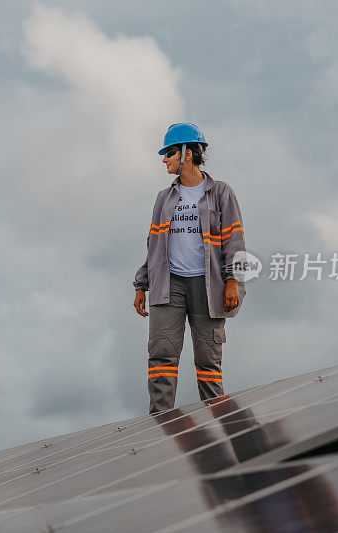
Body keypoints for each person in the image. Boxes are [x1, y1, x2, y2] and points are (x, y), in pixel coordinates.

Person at [133, 122, 246, 413]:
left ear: (187, 153)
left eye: (169, 152)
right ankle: (160, 424)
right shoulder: (164, 198)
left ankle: (220, 421)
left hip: (207, 287)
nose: (164, 159)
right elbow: (154, 245)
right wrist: (141, 284)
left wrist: (233, 279)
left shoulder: (220, 192)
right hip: (168, 285)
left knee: (208, 358)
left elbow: (234, 238)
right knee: (161, 355)